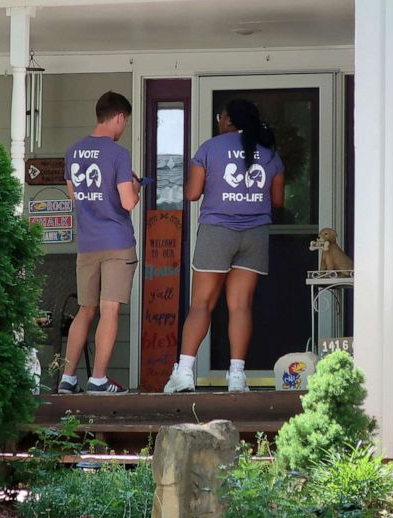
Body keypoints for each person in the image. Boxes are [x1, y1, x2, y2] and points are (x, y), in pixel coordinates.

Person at [164, 99, 285, 393]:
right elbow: (278, 201)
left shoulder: (210, 148)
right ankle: (237, 376)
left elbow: (192, 193)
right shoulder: (270, 154)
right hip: (254, 233)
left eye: (221, 116)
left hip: (217, 230)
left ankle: (184, 374)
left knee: (201, 304)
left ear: (228, 120)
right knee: (241, 306)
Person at [58, 91, 141, 395]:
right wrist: (135, 186)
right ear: (119, 117)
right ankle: (98, 379)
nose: (124, 128)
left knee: (85, 309)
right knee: (109, 310)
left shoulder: (72, 151)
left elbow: (75, 196)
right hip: (117, 242)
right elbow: (128, 202)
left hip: (88, 243)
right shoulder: (118, 154)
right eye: (125, 122)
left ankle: (67, 377)